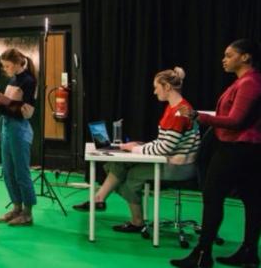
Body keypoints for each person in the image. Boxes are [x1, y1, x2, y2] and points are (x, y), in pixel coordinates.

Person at [73, 67, 200, 233]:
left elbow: (164, 148)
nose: (154, 92)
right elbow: (165, 142)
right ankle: (98, 199)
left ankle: (137, 221)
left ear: (167, 87)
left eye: (156, 87)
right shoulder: (174, 107)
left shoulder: (178, 112)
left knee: (131, 177)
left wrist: (136, 149)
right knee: (118, 165)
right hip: (170, 159)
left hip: (178, 167)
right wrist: (138, 147)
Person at [171, 39, 261, 268]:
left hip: (236, 150)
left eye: (229, 55)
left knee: (213, 198)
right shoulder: (244, 82)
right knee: (251, 200)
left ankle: (202, 255)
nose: (224, 59)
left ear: (245, 57)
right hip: (246, 151)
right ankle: (249, 253)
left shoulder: (249, 83)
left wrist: (197, 116)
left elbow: (236, 121)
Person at [0, 48, 37, 226]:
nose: (5, 69)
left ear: (16, 64)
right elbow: (10, 106)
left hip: (19, 129)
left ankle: (28, 213)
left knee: (21, 172)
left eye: (7, 66)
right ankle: (16, 208)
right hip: (6, 127)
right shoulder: (14, 79)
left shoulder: (29, 81)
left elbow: (25, 113)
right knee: (8, 171)